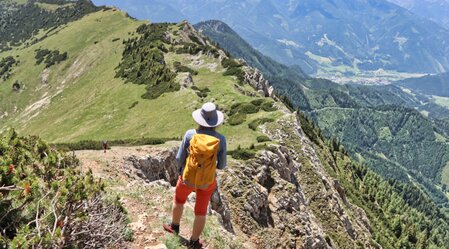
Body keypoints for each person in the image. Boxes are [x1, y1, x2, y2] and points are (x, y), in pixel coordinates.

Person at [163, 102, 227, 249]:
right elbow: (222, 165)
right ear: (215, 122)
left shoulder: (190, 134)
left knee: (179, 200)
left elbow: (179, 158)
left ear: (199, 119)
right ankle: (194, 241)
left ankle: (174, 227)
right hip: (207, 181)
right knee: (201, 212)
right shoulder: (221, 140)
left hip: (187, 178)